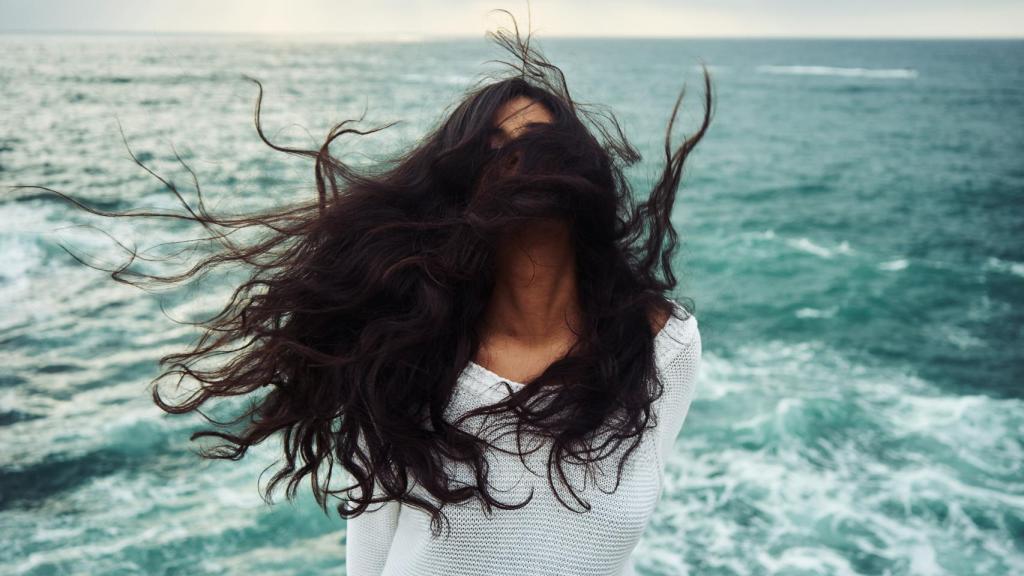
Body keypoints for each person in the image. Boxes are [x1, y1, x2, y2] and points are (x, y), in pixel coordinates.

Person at [23, 13, 712, 576]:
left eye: (538, 143)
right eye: (494, 147)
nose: (517, 161)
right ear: (461, 185)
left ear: (582, 166)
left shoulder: (664, 344)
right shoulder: (411, 350)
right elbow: (373, 547)